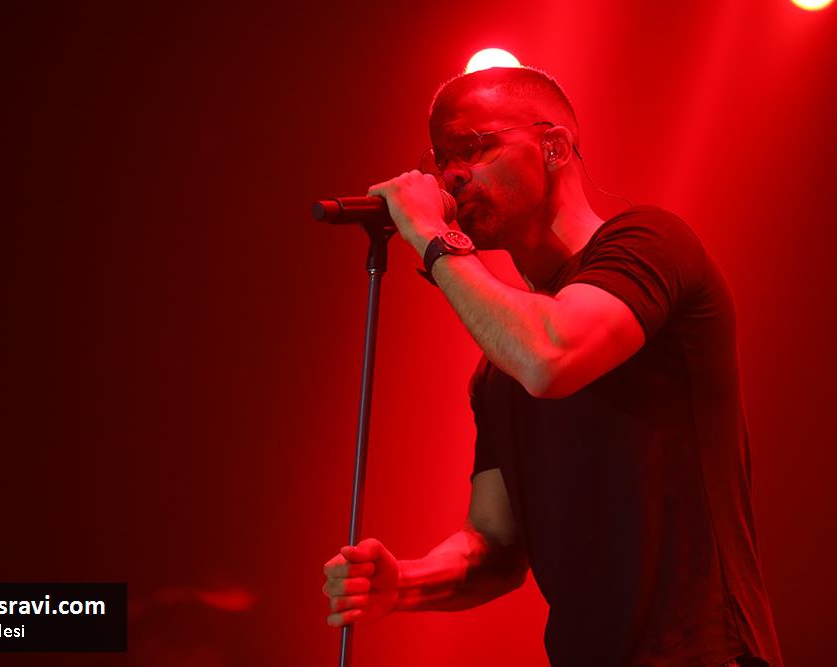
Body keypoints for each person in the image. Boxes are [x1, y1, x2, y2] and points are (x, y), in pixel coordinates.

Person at [321, 66, 784, 667]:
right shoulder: (499, 369)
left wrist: (433, 237)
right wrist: (403, 583)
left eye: (472, 147)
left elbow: (551, 358)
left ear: (555, 147)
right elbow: (495, 545)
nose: (451, 174)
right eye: (441, 159)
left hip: (705, 653)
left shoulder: (651, 242)